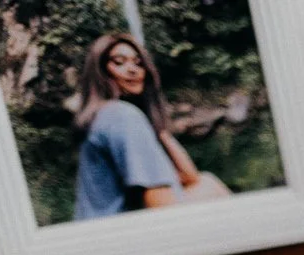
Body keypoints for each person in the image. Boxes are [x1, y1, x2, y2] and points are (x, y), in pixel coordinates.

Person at [71, 33, 204, 220]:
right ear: (100, 71)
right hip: (120, 230)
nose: (133, 70)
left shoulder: (107, 114)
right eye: (119, 62)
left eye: (139, 63)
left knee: (206, 183)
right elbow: (162, 206)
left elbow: (190, 177)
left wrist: (158, 128)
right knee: (210, 189)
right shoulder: (121, 116)